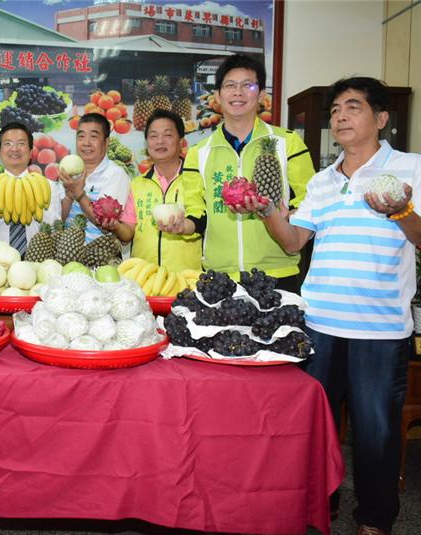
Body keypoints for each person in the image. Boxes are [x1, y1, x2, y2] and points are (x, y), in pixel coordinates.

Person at [250, 77, 419, 535]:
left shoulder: (411, 169)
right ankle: (317, 509)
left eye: (353, 107)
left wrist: (400, 210)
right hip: (320, 324)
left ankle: (375, 520)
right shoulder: (323, 180)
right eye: (335, 110)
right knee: (316, 430)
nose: (340, 116)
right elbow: (293, 242)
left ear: (381, 119)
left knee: (376, 433)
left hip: (379, 329)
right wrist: (266, 210)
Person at [161, 54, 315, 292]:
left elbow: (311, 203)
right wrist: (183, 227)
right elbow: (197, 214)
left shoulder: (287, 143)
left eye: (248, 85)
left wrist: (284, 216)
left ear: (262, 95)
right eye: (230, 86)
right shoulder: (198, 153)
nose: (238, 93)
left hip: (278, 275)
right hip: (220, 278)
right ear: (218, 97)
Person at [104, 109, 201, 272]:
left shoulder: (196, 179)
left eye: (168, 135)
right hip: (145, 277)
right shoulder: (137, 184)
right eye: (153, 136)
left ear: (181, 142)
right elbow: (128, 233)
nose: (160, 141)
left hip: (187, 278)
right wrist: (115, 226)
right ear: (147, 143)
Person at [0, 122, 61, 255]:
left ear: (31, 152)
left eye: (21, 143)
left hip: (39, 261)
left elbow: (55, 229)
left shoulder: (49, 187)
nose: (14, 149)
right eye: (8, 143)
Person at [59, 113, 130, 243]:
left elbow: (105, 225)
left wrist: (79, 194)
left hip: (99, 256)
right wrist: (69, 196)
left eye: (93, 136)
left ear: (106, 142)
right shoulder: (69, 169)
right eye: (81, 136)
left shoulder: (115, 174)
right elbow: (59, 220)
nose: (86, 143)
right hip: (67, 252)